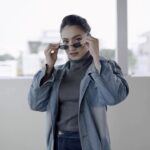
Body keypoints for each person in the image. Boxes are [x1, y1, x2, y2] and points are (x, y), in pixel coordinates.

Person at [28, 14, 129, 150]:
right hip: (58, 142)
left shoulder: (104, 67)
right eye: (65, 42)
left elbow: (115, 97)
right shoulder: (56, 73)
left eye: (77, 41)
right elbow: (35, 104)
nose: (71, 47)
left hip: (89, 143)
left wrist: (97, 59)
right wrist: (49, 67)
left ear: (89, 39)